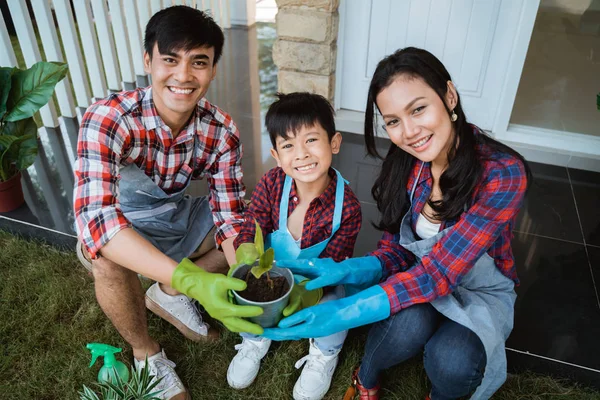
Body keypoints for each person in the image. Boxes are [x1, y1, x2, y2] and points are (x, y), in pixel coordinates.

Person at [262, 47, 530, 400]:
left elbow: (440, 274)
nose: (409, 132)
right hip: (419, 272)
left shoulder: (502, 173)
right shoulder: (410, 161)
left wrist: (343, 312)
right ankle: (367, 377)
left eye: (418, 109)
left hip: (477, 289)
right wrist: (346, 271)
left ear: (449, 96)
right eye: (392, 121)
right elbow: (398, 252)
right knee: (401, 330)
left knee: (452, 362)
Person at [73, 6, 263, 400]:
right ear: (148, 60)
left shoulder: (221, 130)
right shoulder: (109, 119)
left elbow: (229, 216)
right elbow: (100, 223)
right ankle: (147, 354)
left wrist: (248, 268)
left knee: (253, 230)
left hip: (173, 215)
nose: (183, 76)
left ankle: (168, 294)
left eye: (199, 62)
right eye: (170, 60)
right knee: (105, 258)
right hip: (122, 223)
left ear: (212, 69)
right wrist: (192, 278)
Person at [227, 92, 362, 400]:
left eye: (311, 140)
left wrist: (303, 291)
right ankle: (254, 340)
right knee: (243, 295)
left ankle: (323, 354)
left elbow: (334, 265)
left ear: (334, 143)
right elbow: (251, 228)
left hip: (314, 282)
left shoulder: (348, 207)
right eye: (288, 145)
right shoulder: (272, 184)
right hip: (268, 277)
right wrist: (247, 255)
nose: (301, 154)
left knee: (335, 308)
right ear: (277, 155)